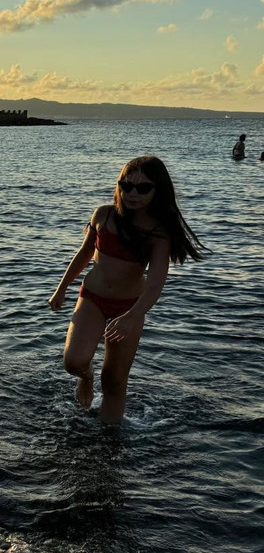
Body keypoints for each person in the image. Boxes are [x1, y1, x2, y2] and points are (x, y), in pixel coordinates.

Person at [48, 156, 205, 424]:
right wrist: (61, 288)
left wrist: (133, 315)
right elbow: (85, 254)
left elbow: (156, 283)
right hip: (92, 299)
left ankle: (109, 442)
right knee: (73, 362)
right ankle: (86, 377)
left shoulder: (158, 233)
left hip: (130, 307)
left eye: (143, 188)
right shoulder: (103, 215)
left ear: (158, 191)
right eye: (126, 185)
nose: (132, 193)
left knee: (114, 381)